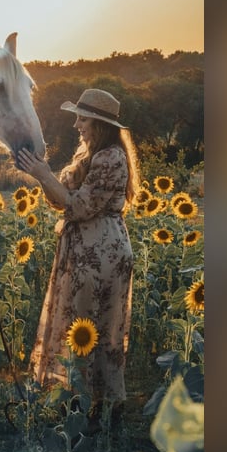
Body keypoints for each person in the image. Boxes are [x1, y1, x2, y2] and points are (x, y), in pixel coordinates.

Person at [18, 88, 140, 429]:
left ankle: (100, 407)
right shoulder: (89, 155)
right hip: (86, 251)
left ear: (100, 125)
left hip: (101, 254)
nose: (76, 125)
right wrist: (41, 175)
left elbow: (79, 207)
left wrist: (43, 174)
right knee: (79, 323)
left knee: (95, 327)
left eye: (82, 119)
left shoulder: (111, 158)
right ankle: (80, 402)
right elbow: (58, 200)